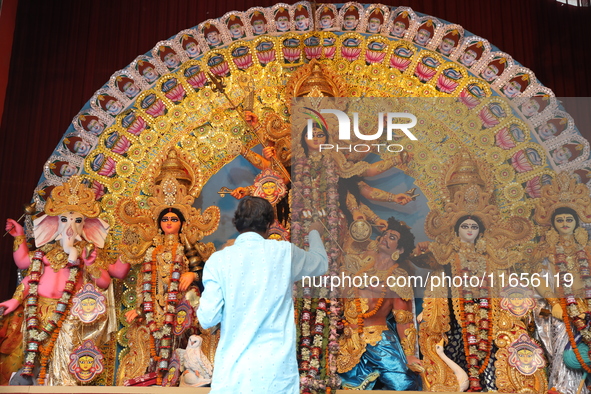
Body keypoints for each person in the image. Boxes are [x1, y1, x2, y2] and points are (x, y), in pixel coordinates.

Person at [197, 196, 328, 393]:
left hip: (233, 376)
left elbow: (207, 319)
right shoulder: (284, 252)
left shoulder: (218, 261)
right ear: (269, 225)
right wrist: (314, 231)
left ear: (238, 223)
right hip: (275, 376)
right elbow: (321, 263)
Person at [338, 217, 422, 390]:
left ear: (400, 249)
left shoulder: (398, 276)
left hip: (379, 340)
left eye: (392, 237)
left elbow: (403, 320)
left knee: (404, 386)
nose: (385, 237)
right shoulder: (357, 263)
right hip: (348, 340)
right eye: (385, 234)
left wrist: (410, 355)